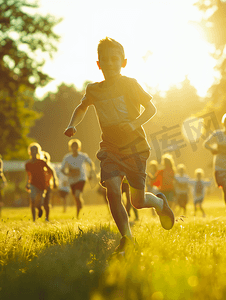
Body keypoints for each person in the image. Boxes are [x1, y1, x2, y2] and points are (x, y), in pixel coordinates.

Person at [64, 37, 175, 254]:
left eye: (114, 59)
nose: (110, 63)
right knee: (113, 191)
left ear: (123, 62)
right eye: (104, 60)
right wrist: (71, 124)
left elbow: (151, 109)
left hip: (135, 148)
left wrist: (134, 124)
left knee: (138, 201)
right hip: (110, 148)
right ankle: (127, 239)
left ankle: (160, 203)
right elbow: (82, 107)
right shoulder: (94, 89)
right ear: (98, 64)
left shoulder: (130, 84)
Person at [61, 139, 95, 219]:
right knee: (76, 197)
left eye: (76, 146)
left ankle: (77, 215)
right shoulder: (67, 157)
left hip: (81, 178)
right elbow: (62, 169)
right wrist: (68, 173)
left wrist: (90, 174)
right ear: (70, 148)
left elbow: (90, 163)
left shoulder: (83, 156)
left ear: (79, 147)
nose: (74, 148)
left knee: (77, 194)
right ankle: (80, 205)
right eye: (73, 146)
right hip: (72, 180)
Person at [25, 143, 55, 222]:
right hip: (32, 184)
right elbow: (28, 175)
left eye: (35, 150)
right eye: (32, 150)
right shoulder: (27, 164)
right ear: (30, 152)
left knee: (38, 202)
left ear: (38, 152)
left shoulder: (42, 162)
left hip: (42, 185)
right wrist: (27, 183)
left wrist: (54, 181)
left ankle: (41, 211)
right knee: (32, 200)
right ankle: (34, 220)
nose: (33, 152)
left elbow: (51, 171)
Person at [42, 151, 58, 221]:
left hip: (48, 186)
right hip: (40, 186)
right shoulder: (39, 166)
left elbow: (53, 175)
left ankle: (47, 217)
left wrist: (54, 182)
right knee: (40, 202)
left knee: (46, 202)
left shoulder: (49, 167)